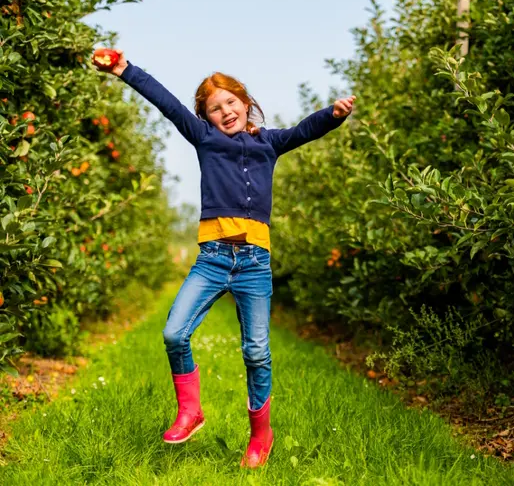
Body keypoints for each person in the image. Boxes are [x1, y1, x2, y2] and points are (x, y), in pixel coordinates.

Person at [93, 49, 355, 468]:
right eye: (214, 108)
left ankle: (260, 435)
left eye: (231, 101)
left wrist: (333, 114)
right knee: (175, 334)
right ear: (207, 117)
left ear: (246, 102)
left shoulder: (269, 142)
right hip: (213, 258)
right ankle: (190, 411)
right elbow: (166, 102)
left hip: (254, 263)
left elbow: (306, 129)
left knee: (256, 352)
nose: (225, 110)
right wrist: (125, 69)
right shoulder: (205, 138)